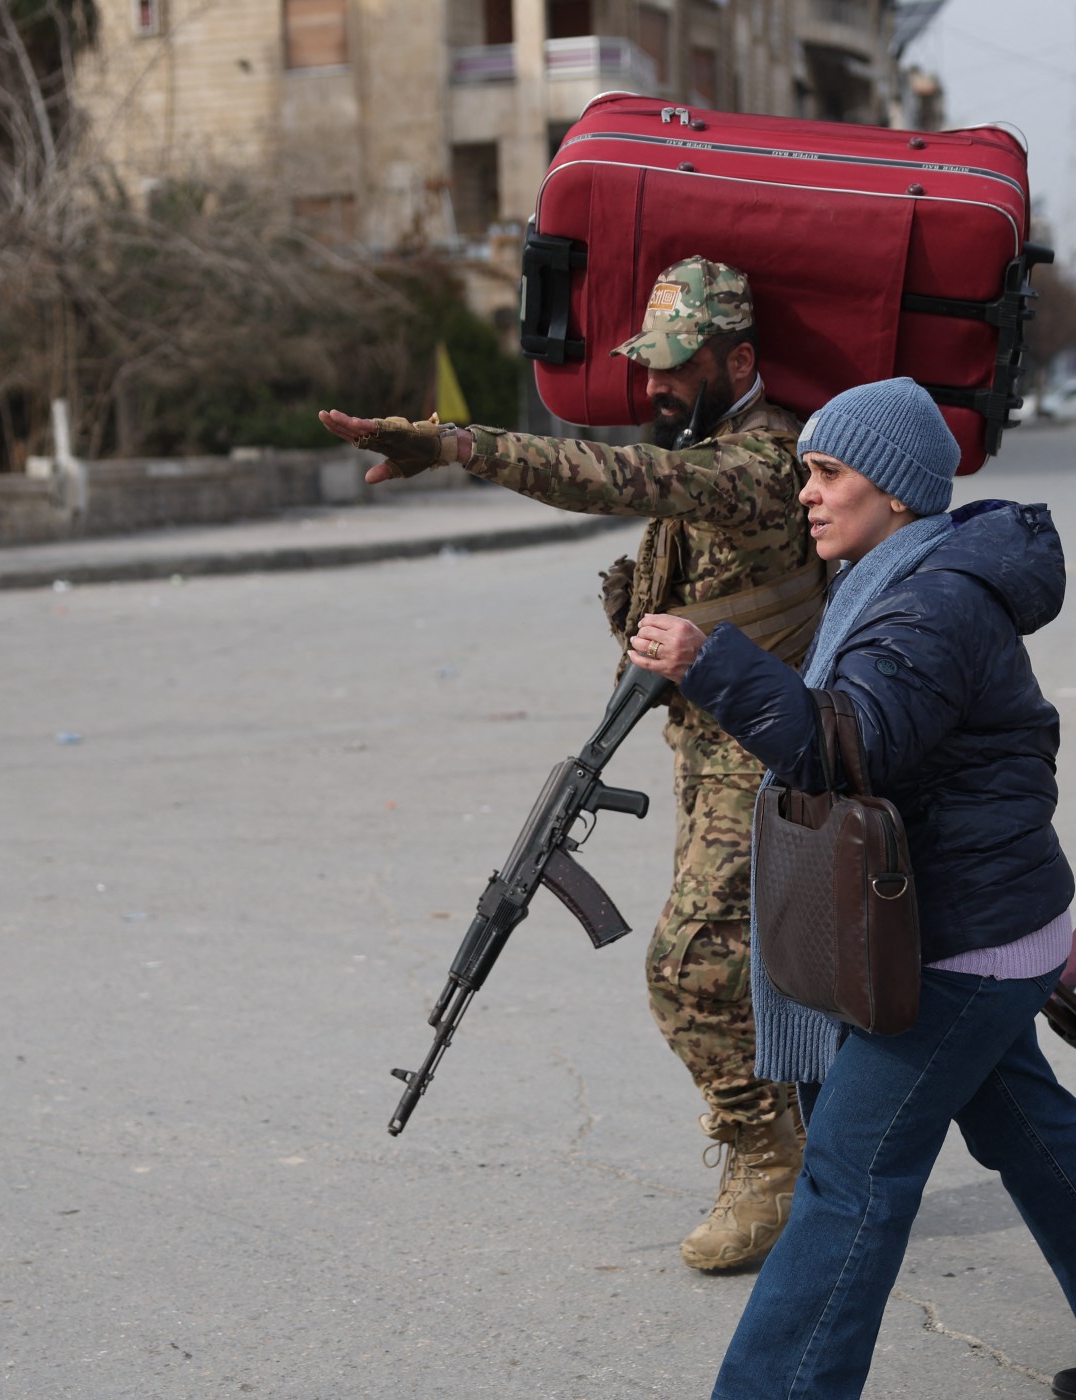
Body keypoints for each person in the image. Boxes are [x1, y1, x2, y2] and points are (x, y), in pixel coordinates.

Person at [628, 377, 1076, 1400]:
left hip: (957, 944)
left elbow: (849, 745)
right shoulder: (901, 573)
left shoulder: (930, 598)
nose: (807, 495)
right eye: (807, 470)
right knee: (1029, 1128)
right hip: (988, 919)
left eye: (828, 473)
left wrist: (714, 663)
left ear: (894, 492)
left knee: (852, 1176)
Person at [319, 257, 816, 1273]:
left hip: (763, 752)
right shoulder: (705, 438)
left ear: (741, 359)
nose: (656, 385)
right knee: (755, 966)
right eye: (651, 365)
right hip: (705, 744)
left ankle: (772, 1166)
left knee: (686, 970)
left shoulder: (760, 465)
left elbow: (614, 479)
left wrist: (460, 443)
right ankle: (813, 1144)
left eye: (677, 366)